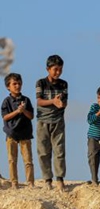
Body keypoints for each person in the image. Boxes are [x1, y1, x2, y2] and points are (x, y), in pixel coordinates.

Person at [35, 54, 68, 191]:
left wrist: (61, 103)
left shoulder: (63, 84)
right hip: (43, 121)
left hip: (58, 121)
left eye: (60, 69)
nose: (58, 72)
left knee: (59, 151)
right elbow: (39, 101)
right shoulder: (40, 83)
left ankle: (59, 179)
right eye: (55, 69)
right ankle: (47, 179)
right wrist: (53, 101)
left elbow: (64, 102)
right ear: (48, 69)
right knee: (43, 151)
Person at [2, 72, 35, 189]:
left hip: (25, 133)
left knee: (28, 160)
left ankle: (30, 182)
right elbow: (5, 117)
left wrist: (23, 111)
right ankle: (14, 182)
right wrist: (17, 111)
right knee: (12, 160)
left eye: (19, 83)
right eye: (14, 84)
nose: (17, 86)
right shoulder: (6, 101)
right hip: (11, 134)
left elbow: (31, 116)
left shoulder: (26, 100)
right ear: (8, 86)